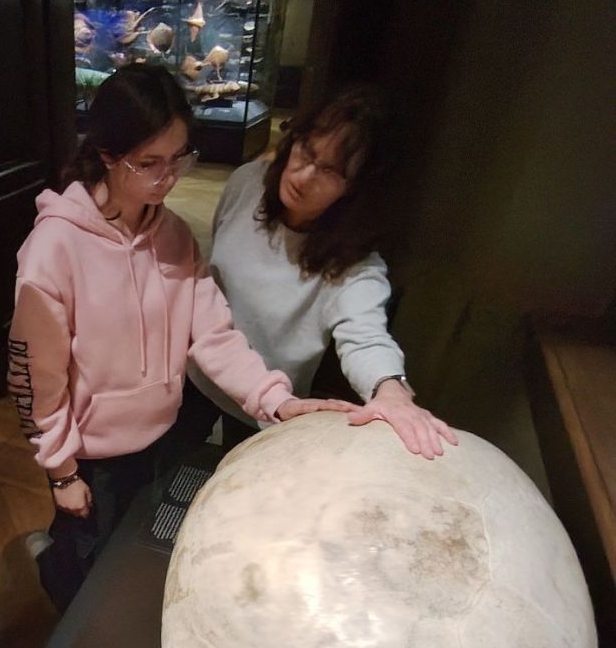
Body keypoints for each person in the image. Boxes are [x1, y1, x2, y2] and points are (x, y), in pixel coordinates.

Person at [7, 65, 356, 612]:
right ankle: (56, 582)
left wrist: (275, 399)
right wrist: (60, 472)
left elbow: (213, 333)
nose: (167, 179)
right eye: (148, 163)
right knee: (85, 562)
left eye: (178, 159)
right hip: (93, 455)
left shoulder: (172, 235)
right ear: (106, 153)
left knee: (125, 556)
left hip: (161, 439)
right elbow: (37, 378)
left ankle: (71, 572)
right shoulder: (54, 249)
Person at [190, 86, 456, 460]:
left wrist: (390, 389)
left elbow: (365, 336)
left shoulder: (353, 266)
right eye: (306, 151)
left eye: (329, 170)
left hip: (270, 402)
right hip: (199, 372)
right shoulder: (247, 183)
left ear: (355, 187)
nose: (303, 176)